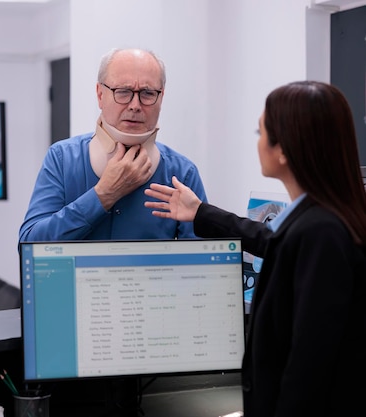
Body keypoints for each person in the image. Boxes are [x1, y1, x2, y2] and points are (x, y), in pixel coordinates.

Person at [144, 80, 366, 417]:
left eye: (260, 133)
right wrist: (201, 213)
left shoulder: (321, 232)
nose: (258, 143)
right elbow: (272, 240)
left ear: (283, 149)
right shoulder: (322, 220)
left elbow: (308, 365)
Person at [19, 47, 207, 242]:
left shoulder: (182, 174)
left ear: (161, 98)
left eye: (148, 93)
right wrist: (103, 195)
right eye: (123, 92)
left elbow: (203, 264)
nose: (135, 105)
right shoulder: (62, 159)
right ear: (100, 95)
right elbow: (30, 247)